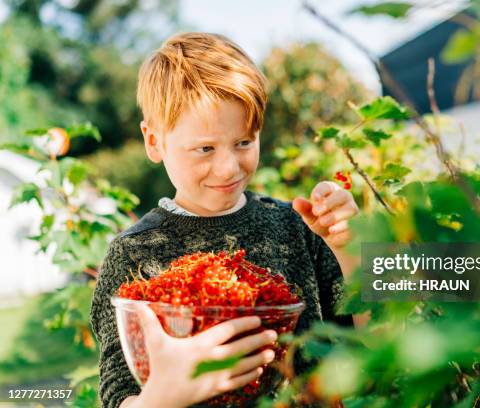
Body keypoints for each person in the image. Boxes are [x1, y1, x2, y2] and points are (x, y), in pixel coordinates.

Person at [90, 32, 361, 408]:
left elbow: (371, 340)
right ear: (154, 141)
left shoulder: (297, 228)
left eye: (244, 142)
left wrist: (352, 251)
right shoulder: (133, 254)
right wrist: (166, 394)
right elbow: (120, 394)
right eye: (205, 148)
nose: (229, 167)